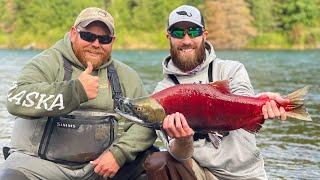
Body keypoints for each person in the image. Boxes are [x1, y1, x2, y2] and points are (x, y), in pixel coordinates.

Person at [0, 7, 156, 180]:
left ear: (113, 41)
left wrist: (119, 153)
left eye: (104, 39)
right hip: (40, 166)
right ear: (73, 33)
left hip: (100, 169)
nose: (96, 44)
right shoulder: (47, 63)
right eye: (88, 36)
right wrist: (75, 91)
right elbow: (15, 99)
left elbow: (149, 123)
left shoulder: (127, 76)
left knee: (157, 162)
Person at [144, 5, 288, 180]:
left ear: (204, 34)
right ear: (169, 37)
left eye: (194, 31)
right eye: (178, 33)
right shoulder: (162, 92)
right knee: (158, 162)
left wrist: (262, 103)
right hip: (201, 173)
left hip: (246, 175)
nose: (187, 40)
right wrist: (183, 140)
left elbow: (245, 102)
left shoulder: (232, 70)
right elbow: (179, 156)